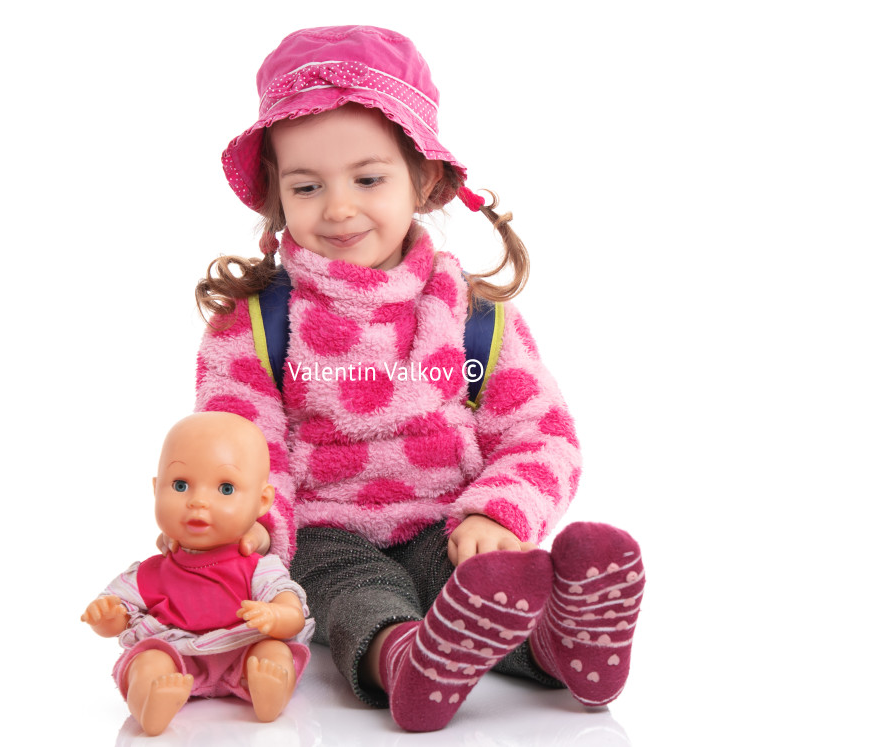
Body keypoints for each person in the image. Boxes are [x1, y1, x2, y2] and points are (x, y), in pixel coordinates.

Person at [187, 25, 645, 733]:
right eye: (307, 186)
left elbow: (540, 433)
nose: (339, 208)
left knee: (482, 583)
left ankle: (562, 641)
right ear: (278, 195)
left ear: (424, 179)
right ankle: (404, 661)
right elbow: (243, 445)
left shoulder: (470, 316)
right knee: (352, 590)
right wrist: (254, 529)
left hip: (447, 519)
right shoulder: (255, 324)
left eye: (368, 179)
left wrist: (497, 511)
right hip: (323, 528)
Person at [82, 412, 313, 735]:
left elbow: (293, 612)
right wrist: (107, 617)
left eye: (226, 488)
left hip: (242, 648)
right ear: (156, 488)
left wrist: (276, 616)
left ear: (262, 502)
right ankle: (150, 702)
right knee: (147, 662)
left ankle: (271, 691)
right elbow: (119, 614)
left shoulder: (257, 566)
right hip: (174, 652)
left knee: (274, 651)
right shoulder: (150, 572)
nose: (198, 502)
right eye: (180, 485)